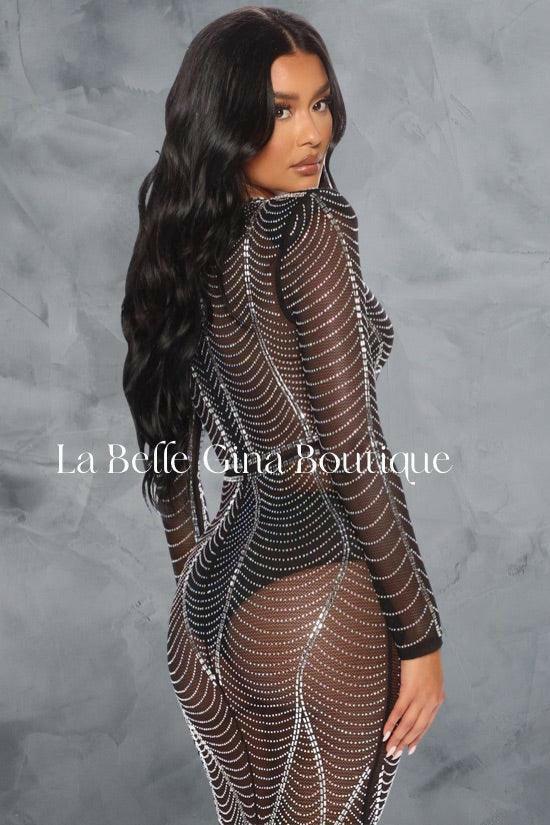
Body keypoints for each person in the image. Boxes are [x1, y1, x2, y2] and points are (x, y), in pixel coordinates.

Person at [121, 6, 446, 824]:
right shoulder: (310, 228)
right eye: (281, 111)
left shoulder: (178, 241)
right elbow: (351, 447)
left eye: (321, 103)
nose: (313, 133)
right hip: (316, 596)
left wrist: (207, 611)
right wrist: (421, 636)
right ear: (225, 121)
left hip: (207, 609)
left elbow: (171, 459)